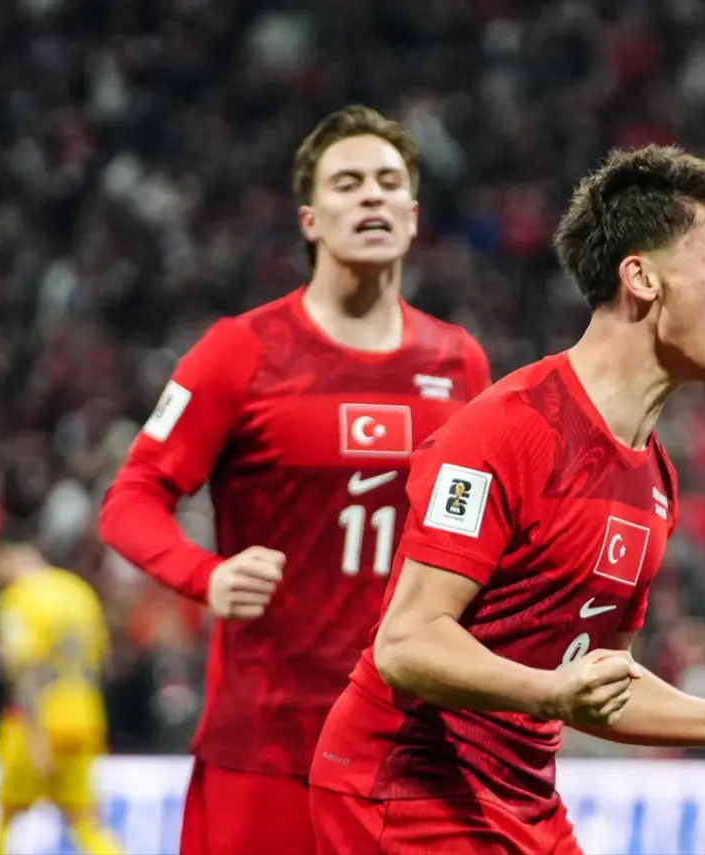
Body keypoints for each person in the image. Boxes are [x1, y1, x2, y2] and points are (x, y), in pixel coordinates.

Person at [310, 145, 705, 855]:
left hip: (521, 798)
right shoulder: (509, 430)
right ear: (641, 278)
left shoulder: (655, 478)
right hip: (405, 790)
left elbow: (600, 681)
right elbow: (405, 644)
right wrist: (552, 694)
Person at [99, 105, 491, 855]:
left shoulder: (460, 362)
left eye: (389, 182)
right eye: (347, 183)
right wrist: (206, 575)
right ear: (310, 220)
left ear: (413, 215)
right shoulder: (239, 351)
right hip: (268, 742)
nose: (371, 195)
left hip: (408, 742)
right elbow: (131, 497)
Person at [0, 534, 122, 855]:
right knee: (85, 821)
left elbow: (26, 670)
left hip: (40, 721)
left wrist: (35, 736)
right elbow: (102, 661)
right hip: (84, 717)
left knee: (6, 817)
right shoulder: (78, 592)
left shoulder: (19, 599)